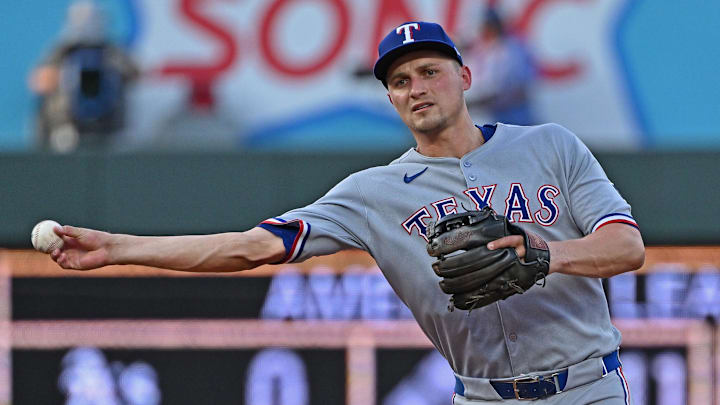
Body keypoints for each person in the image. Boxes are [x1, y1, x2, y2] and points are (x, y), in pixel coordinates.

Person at [50, 21, 644, 404]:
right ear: (389, 97)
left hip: (587, 388)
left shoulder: (550, 145)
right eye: (400, 80)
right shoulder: (373, 192)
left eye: (430, 71)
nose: (417, 88)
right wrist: (120, 248)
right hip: (482, 396)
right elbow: (250, 247)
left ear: (464, 77)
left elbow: (627, 247)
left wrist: (544, 254)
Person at [28, 0, 139, 152]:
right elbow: (39, 82)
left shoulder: (111, 52)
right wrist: (60, 77)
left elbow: (134, 73)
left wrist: (112, 73)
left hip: (109, 126)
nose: (87, 25)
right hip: (67, 126)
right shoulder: (62, 52)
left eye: (92, 18)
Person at [463, 8, 537, 126]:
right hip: (492, 118)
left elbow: (502, 90)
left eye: (488, 26)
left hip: (515, 118)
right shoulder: (481, 50)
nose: (484, 31)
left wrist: (466, 103)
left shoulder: (511, 50)